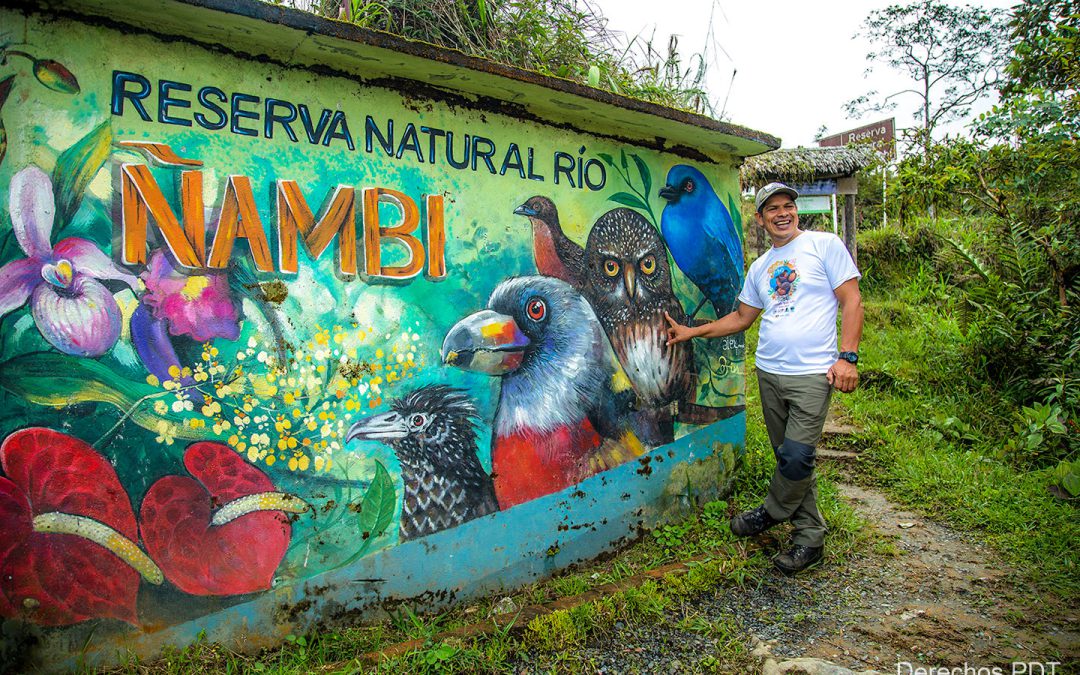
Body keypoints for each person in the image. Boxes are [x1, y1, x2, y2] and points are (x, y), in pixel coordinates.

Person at [665, 182, 863, 575]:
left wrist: (848, 358)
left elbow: (852, 300)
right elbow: (741, 318)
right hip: (769, 371)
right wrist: (692, 332)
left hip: (812, 373)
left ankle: (770, 512)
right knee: (790, 459)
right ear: (761, 218)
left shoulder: (824, 245)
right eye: (772, 208)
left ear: (796, 211)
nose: (782, 213)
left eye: (788, 206)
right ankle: (810, 538)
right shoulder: (759, 268)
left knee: (796, 456)